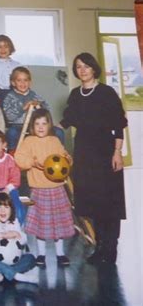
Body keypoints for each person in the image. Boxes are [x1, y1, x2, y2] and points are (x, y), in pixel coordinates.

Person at [60, 53, 127, 264]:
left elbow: (118, 124)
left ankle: (111, 248)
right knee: (94, 203)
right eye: (78, 66)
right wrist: (42, 128)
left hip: (106, 153)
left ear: (94, 68)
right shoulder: (75, 95)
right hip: (84, 154)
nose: (82, 70)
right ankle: (99, 248)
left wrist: (117, 152)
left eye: (86, 66)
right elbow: (66, 122)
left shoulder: (107, 93)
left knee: (110, 203)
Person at [15, 109, 74, 267]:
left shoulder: (54, 141)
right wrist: (32, 163)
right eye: (37, 124)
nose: (41, 127)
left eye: (44, 123)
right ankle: (41, 255)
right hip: (38, 189)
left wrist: (68, 159)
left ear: (49, 125)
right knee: (41, 224)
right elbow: (19, 159)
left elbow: (63, 157)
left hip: (57, 188)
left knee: (58, 224)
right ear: (32, 126)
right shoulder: (29, 141)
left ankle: (60, 254)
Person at [2, 66, 64, 151]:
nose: (23, 83)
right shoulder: (9, 97)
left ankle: (61, 153)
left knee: (58, 132)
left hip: (36, 126)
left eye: (25, 80)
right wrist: (24, 108)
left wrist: (40, 105)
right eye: (19, 80)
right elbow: (10, 117)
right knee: (11, 133)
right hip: (18, 126)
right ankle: (12, 154)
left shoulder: (34, 95)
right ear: (13, 83)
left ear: (30, 82)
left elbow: (47, 111)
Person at [0, 193, 37, 284]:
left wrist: (16, 234)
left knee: (31, 258)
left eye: (6, 207)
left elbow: (24, 240)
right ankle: (17, 276)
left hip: (14, 261)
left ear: (11, 210)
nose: (3, 211)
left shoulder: (14, 221)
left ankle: (3, 273)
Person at [0, 35, 21, 104]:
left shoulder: (17, 65)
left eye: (6, 47)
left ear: (10, 48)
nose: (3, 49)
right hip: (1, 94)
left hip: (16, 93)